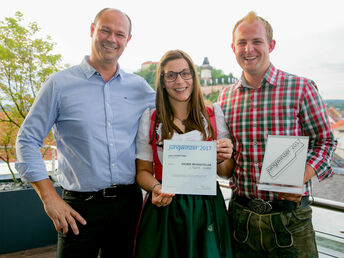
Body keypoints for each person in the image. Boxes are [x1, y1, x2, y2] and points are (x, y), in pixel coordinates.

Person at [15, 8, 155, 258]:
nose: (112, 39)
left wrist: (212, 137)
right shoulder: (59, 85)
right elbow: (26, 140)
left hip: (128, 205)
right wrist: (50, 199)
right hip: (79, 208)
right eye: (105, 30)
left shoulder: (139, 88)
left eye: (120, 34)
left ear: (128, 41)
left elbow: (175, 117)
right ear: (92, 30)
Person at [217, 11, 337, 257]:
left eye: (256, 41)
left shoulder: (301, 87)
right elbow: (228, 160)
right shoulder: (225, 97)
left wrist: (299, 178)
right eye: (242, 42)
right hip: (241, 219)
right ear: (233, 47)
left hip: (290, 220)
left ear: (271, 45)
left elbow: (325, 142)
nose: (248, 49)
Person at [134, 49, 234, 258]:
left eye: (185, 73)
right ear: (162, 81)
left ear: (193, 77)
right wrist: (156, 188)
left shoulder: (213, 114)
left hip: (206, 208)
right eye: (171, 75)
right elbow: (142, 172)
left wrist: (222, 156)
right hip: (165, 206)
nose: (179, 81)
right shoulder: (150, 118)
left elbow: (225, 173)